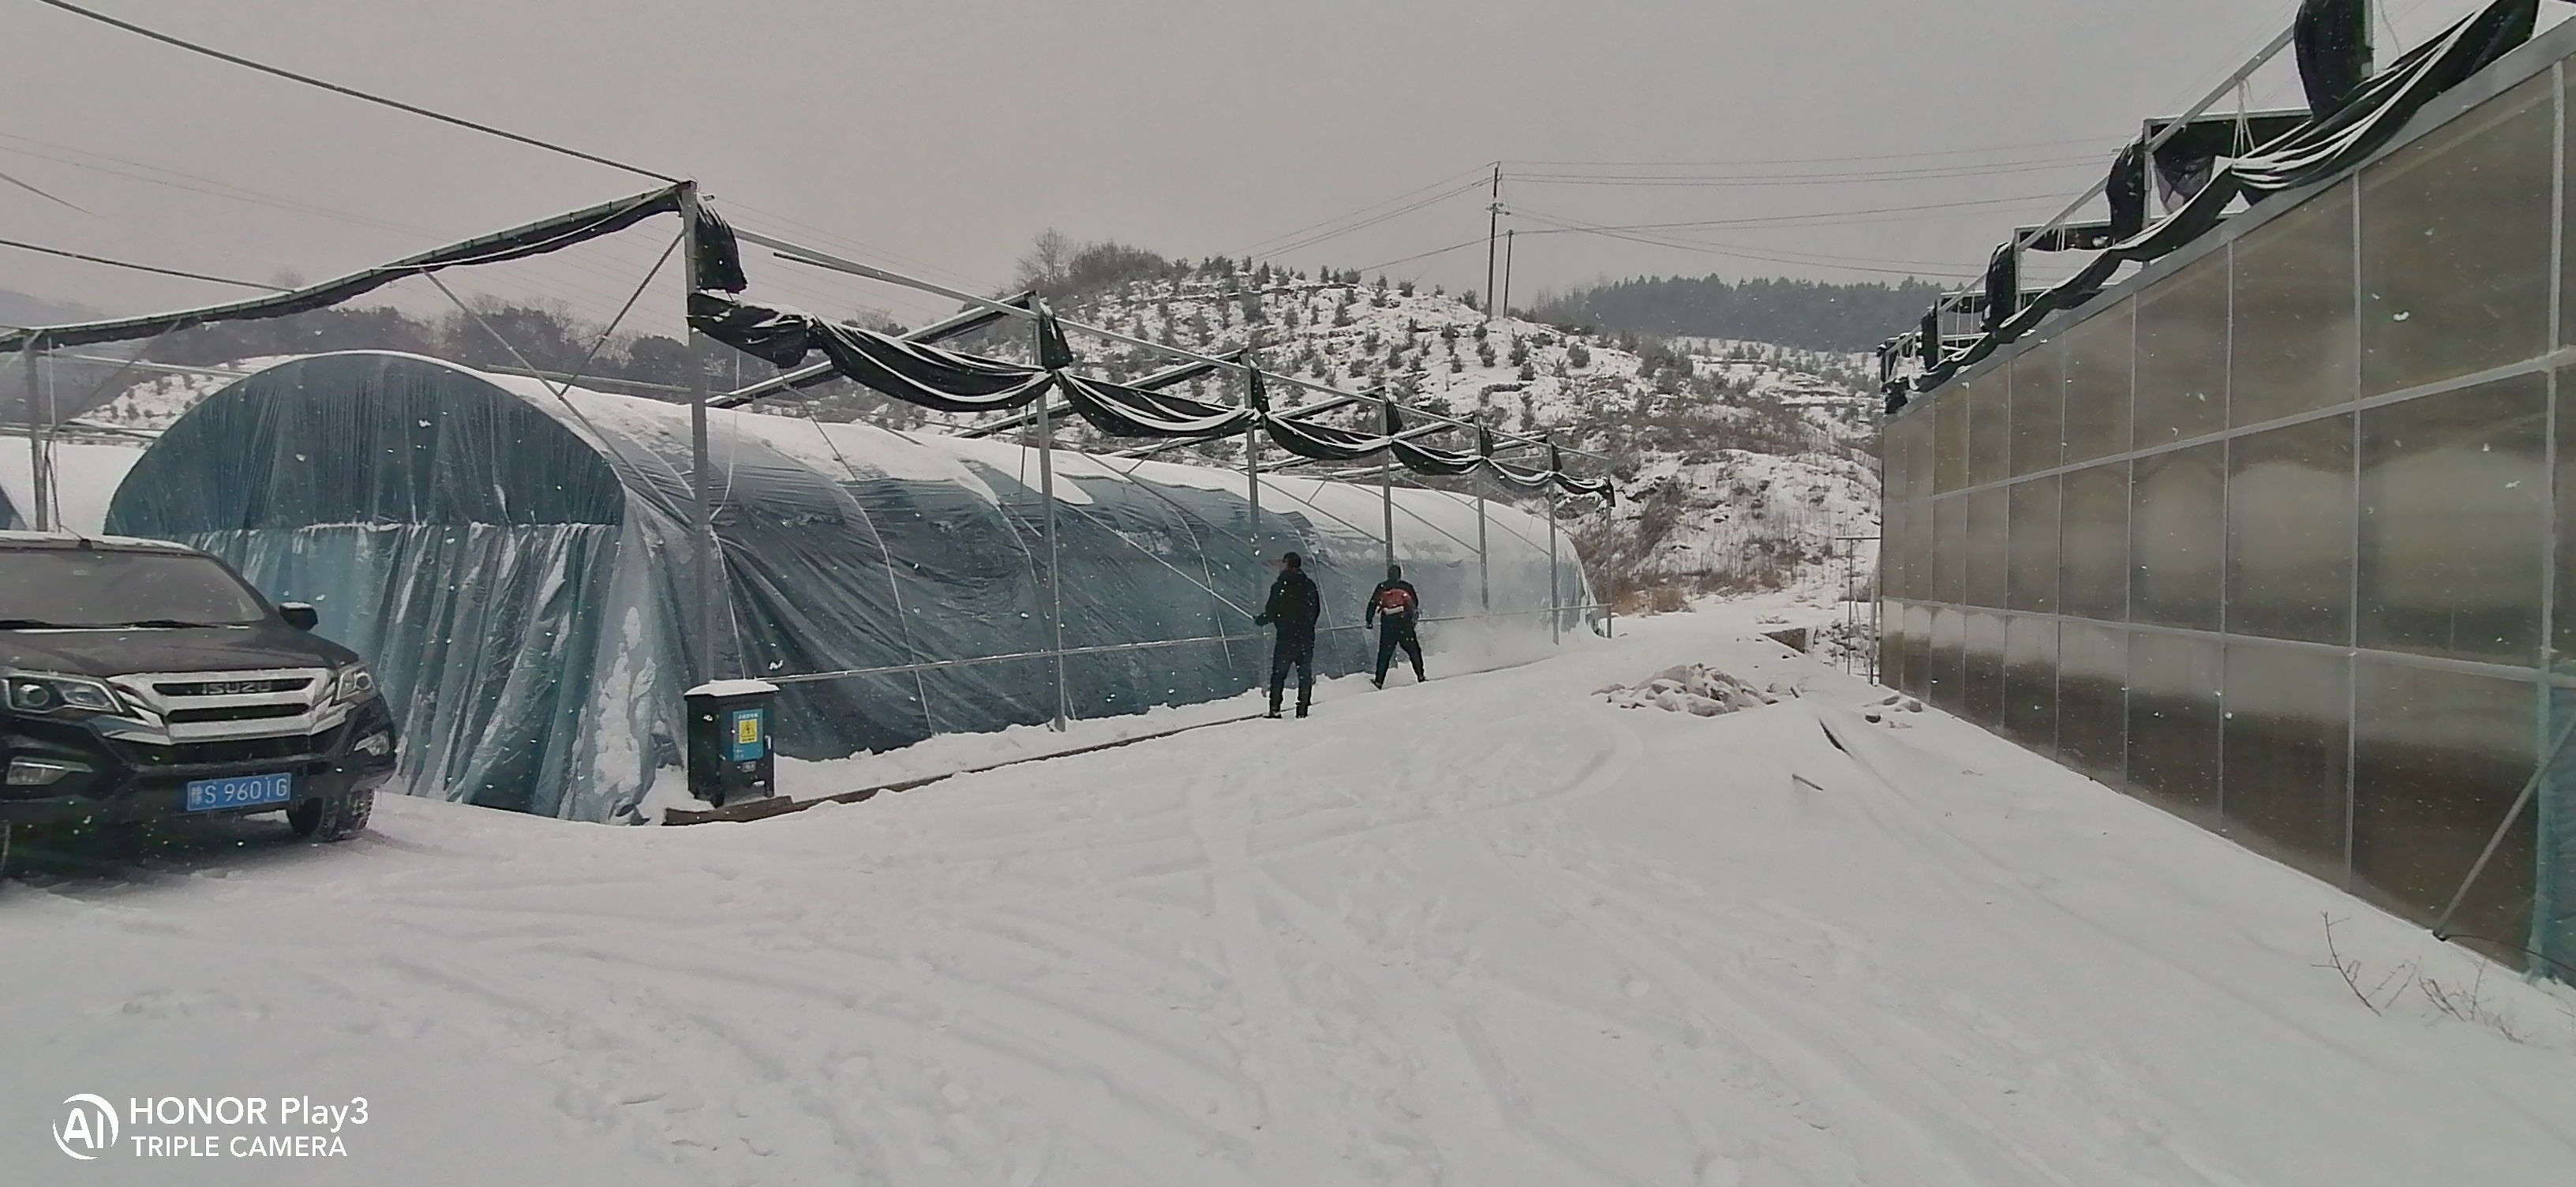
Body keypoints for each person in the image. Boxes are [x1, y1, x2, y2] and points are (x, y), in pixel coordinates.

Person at [1253, 550, 1322, 718]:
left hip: (1286, 637)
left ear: (1287, 564)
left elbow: (1273, 611)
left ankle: (1275, 709)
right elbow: (1316, 610)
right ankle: (1302, 710)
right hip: (1306, 637)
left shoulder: (1280, 586)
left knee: (1278, 674)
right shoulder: (1309, 585)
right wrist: (1307, 625)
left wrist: (1261, 620)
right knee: (1304, 674)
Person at [1366, 563, 1425, 689]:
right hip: (1404, 624)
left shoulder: (1382, 587)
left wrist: (1369, 620)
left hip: (1388, 625)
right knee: (1414, 651)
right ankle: (1420, 675)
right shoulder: (1406, 587)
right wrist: (1411, 619)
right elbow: (1414, 603)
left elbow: (1373, 603)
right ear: (1399, 574)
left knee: (1384, 653)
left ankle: (1379, 681)